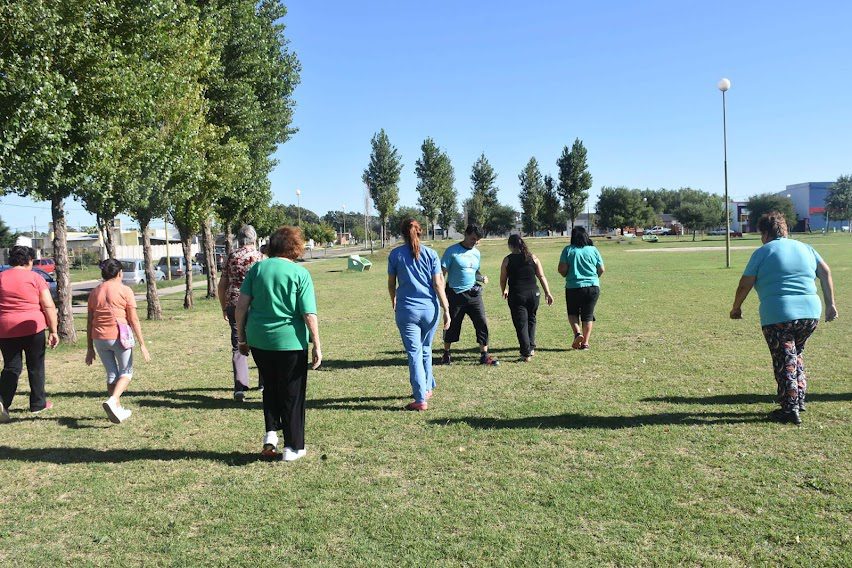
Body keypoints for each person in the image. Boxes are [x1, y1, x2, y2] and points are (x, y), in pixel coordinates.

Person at [730, 211, 838, 425]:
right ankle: (799, 399)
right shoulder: (806, 248)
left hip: (779, 313)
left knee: (784, 359)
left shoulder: (763, 252)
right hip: (810, 314)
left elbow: (745, 283)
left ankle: (789, 410)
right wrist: (831, 304)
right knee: (796, 354)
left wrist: (736, 308)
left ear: (765, 233)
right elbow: (825, 271)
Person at [235, 226, 322, 461]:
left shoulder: (257, 269)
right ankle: (293, 447)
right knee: (293, 394)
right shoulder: (299, 273)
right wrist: (317, 344)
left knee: (271, 388)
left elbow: (241, 307)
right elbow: (308, 314)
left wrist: (242, 338)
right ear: (295, 247)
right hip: (290, 342)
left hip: (259, 340)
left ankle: (271, 435)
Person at [388, 219, 451, 411]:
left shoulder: (395, 255)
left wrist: (394, 300)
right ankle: (427, 386)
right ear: (420, 232)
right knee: (426, 349)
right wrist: (446, 309)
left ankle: (420, 398)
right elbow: (439, 284)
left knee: (414, 353)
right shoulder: (431, 254)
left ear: (402, 234)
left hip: (407, 310)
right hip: (430, 310)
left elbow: (391, 284)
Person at [85, 258, 151, 423]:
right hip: (119, 337)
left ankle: (116, 409)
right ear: (120, 273)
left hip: (99, 338)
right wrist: (142, 344)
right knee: (126, 372)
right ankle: (114, 400)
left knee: (112, 374)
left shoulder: (94, 292)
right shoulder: (125, 290)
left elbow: (89, 321)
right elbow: (133, 319)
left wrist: (89, 348)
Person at [0, 246, 59, 423]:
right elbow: (48, 305)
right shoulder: (35, 277)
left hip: (5, 327)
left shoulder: (1, 277)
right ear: (30, 260)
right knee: (36, 365)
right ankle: (38, 403)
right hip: (33, 327)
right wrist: (53, 330)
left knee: (11, 366)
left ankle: (3, 402)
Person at [440, 224, 499, 366]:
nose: (476, 242)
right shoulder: (452, 251)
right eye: (473, 238)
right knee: (452, 325)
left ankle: (484, 355)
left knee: (482, 323)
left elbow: (475, 273)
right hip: (455, 294)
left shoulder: (476, 253)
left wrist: (481, 278)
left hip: (474, 294)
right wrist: (440, 293)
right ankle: (446, 354)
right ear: (465, 234)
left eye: (478, 240)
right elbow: (442, 274)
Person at [218, 224, 264, 401]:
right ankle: (263, 383)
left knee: (238, 344)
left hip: (234, 304)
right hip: (256, 304)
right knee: (260, 342)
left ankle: (240, 387)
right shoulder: (260, 257)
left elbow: (222, 285)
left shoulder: (231, 257)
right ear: (254, 238)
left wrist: (224, 307)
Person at [500, 234, 555, 362]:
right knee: (531, 319)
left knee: (521, 324)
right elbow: (541, 276)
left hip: (517, 295)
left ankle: (526, 353)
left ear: (510, 245)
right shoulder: (533, 257)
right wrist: (547, 292)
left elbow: (503, 279)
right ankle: (531, 347)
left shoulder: (507, 260)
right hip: (534, 294)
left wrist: (504, 290)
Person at [558, 226, 605, 350]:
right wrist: (594, 278)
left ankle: (577, 333)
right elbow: (601, 269)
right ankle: (585, 343)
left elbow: (561, 270)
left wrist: (567, 273)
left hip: (573, 287)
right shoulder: (593, 250)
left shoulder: (568, 250)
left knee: (572, 313)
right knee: (588, 315)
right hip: (592, 287)